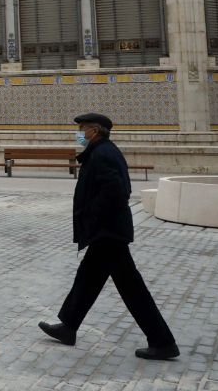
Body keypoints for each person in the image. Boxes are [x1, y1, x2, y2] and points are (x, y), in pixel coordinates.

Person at [39, 113, 179, 360]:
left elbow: (118, 191)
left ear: (95, 130)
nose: (79, 134)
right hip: (106, 232)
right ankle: (68, 327)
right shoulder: (102, 151)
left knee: (131, 288)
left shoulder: (104, 154)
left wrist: (93, 215)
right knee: (88, 279)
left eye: (82, 129)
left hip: (108, 233)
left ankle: (162, 341)